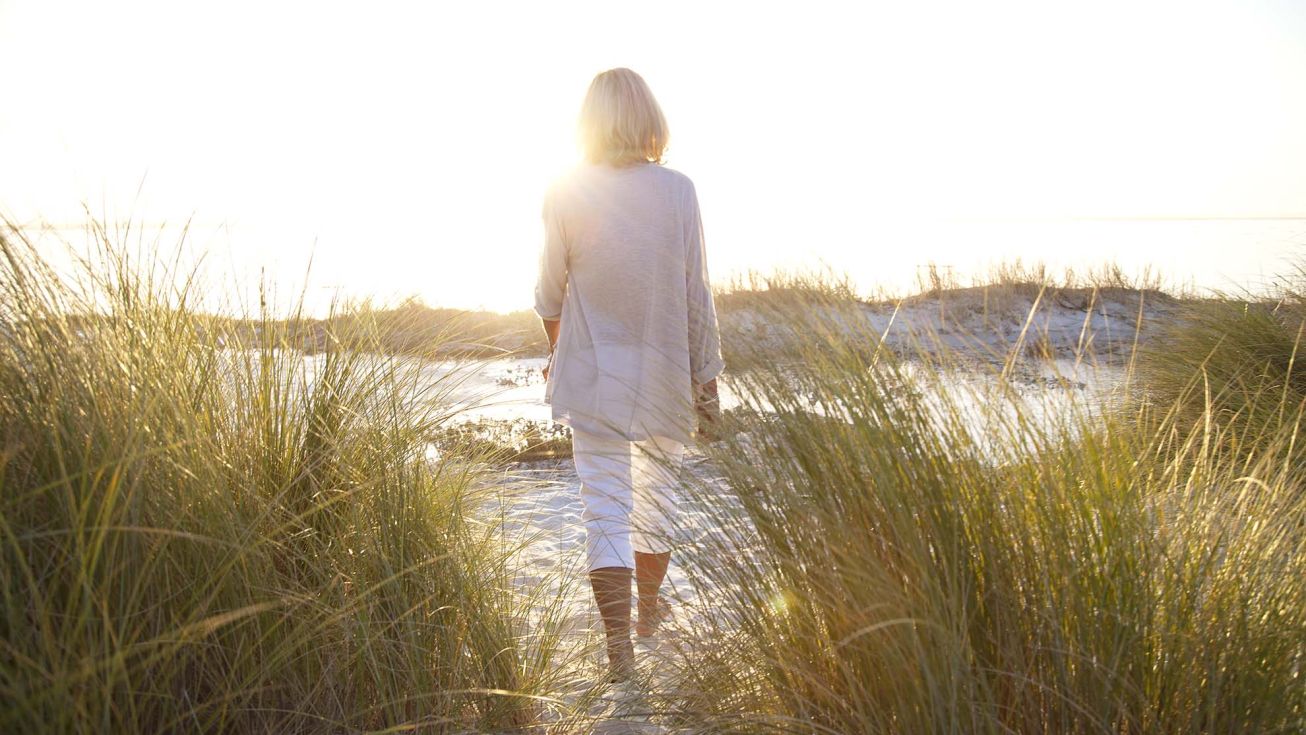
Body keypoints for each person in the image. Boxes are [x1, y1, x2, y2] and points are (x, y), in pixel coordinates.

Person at [533, 67, 724, 680]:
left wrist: (563, 350)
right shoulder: (678, 191)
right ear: (650, 121)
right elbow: (696, 294)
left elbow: (547, 295)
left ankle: (618, 651)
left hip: (592, 377)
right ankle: (645, 619)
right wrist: (707, 378)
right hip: (666, 374)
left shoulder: (566, 191)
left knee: (605, 509)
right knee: (657, 504)